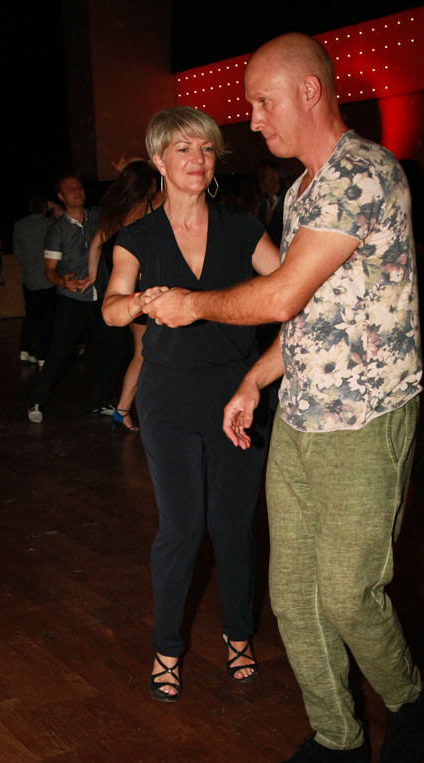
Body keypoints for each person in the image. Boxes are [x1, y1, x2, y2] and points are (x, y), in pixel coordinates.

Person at [140, 33, 424, 763]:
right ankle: (337, 736)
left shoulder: (362, 173)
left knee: (349, 594)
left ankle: (407, 697)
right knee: (294, 595)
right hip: (300, 414)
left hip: (364, 419)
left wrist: (190, 304)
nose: (253, 120)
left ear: (308, 91)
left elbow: (279, 296)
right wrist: (255, 381)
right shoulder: (302, 191)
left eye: (261, 102)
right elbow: (308, 319)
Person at [102, 107, 280, 700]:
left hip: (237, 392)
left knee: (233, 525)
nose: (197, 160)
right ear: (158, 160)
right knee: (181, 527)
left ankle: (238, 634)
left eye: (205, 149)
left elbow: (290, 290)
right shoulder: (138, 237)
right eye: (183, 149)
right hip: (169, 397)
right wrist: (136, 304)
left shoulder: (242, 227)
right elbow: (112, 306)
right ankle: (167, 646)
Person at [27, 175, 128, 423]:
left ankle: (98, 402)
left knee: (118, 345)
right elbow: (49, 270)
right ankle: (36, 401)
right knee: (59, 351)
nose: (77, 191)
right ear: (61, 196)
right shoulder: (57, 230)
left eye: (79, 186)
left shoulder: (97, 217)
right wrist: (63, 281)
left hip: (100, 298)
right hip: (71, 300)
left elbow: (123, 206)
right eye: (70, 189)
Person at [84, 160, 163, 431]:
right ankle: (123, 408)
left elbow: (95, 244)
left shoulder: (119, 212)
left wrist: (92, 277)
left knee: (144, 352)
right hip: (147, 292)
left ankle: (126, 408)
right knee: (144, 354)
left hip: (126, 296)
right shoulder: (152, 205)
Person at [13, 193, 57, 366]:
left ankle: (25, 349)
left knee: (30, 315)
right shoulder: (51, 224)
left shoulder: (19, 225)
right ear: (45, 209)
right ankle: (43, 355)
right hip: (48, 279)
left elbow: (17, 253)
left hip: (29, 279)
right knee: (47, 318)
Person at [255, 160, 286, 248]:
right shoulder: (260, 205)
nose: (260, 181)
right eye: (258, 178)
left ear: (276, 176)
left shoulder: (289, 200)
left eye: (263, 177)